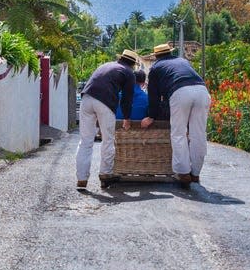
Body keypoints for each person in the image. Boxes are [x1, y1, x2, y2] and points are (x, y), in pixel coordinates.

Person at [141, 43, 210, 188]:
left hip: (180, 92)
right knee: (198, 134)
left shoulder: (155, 68)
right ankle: (195, 173)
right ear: (170, 53)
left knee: (178, 133)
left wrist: (151, 116)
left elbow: (153, 95)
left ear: (156, 57)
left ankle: (183, 172)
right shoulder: (183, 61)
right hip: (202, 90)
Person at [75, 49, 140, 189]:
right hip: (105, 102)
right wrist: (127, 118)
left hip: (86, 98)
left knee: (85, 141)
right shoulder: (128, 72)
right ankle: (105, 174)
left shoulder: (105, 65)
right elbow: (127, 99)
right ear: (133, 64)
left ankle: (81, 179)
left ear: (120, 58)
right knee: (108, 140)